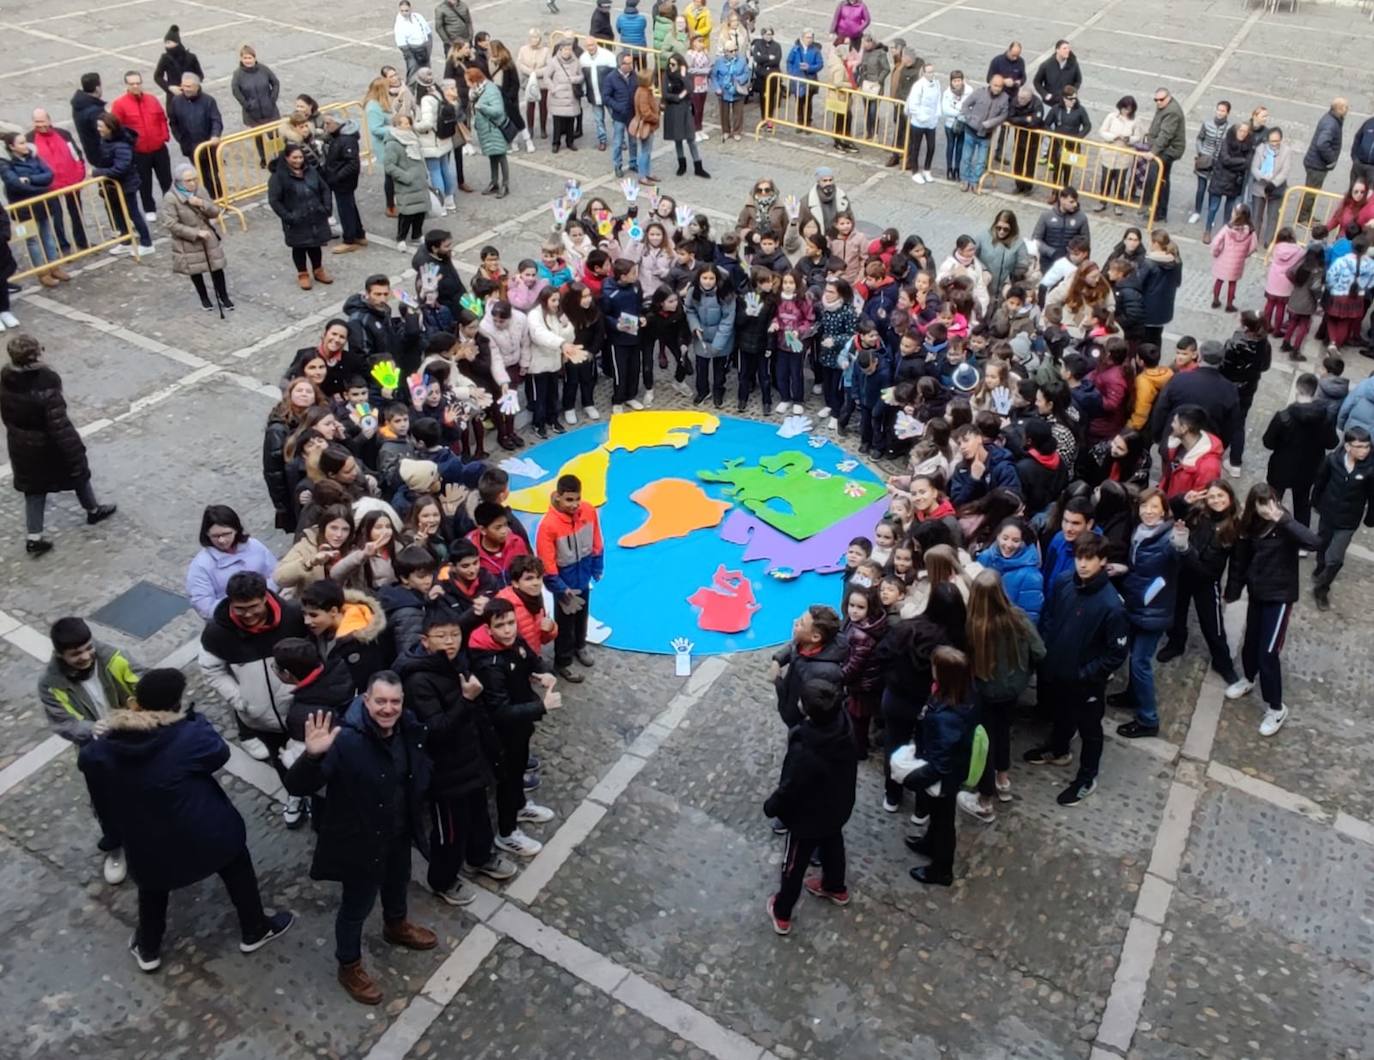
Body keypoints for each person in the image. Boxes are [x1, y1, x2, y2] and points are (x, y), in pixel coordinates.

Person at [80, 668, 294, 973]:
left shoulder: (101, 750)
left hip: (147, 842)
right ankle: (255, 927)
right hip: (206, 829)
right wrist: (194, 718)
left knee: (153, 890)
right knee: (236, 868)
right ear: (174, 706)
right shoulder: (187, 735)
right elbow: (217, 754)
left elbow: (96, 782)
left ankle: (148, 947)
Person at [285, 675, 438, 1005]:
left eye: (395, 702)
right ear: (366, 701)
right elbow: (297, 786)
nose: (388, 709)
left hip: (398, 831)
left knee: (399, 881)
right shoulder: (344, 740)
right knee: (356, 907)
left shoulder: (407, 725)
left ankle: (395, 925)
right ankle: (348, 965)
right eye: (380, 701)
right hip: (361, 841)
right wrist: (311, 756)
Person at [394, 605, 517, 905]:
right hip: (443, 771)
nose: (450, 641)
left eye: (454, 635)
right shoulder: (418, 680)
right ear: (426, 640)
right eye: (441, 636)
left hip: (470, 758)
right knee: (450, 829)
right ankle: (443, 880)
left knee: (478, 814)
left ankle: (480, 857)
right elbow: (435, 729)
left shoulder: (454, 661)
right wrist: (466, 700)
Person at [1023, 533, 1127, 806]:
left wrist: (1085, 674)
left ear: (1102, 561)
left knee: (1090, 729)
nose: (1082, 564)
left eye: (1089, 559)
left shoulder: (1112, 606)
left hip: (1085, 682)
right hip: (1056, 670)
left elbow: (1115, 653)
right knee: (1060, 713)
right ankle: (1058, 750)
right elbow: (1050, 617)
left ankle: (1087, 777)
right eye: (1080, 557)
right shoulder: (1063, 582)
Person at [40, 616, 141, 885]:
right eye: (76, 654)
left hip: (134, 736)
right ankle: (116, 846)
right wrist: (92, 729)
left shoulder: (113, 657)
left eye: (88, 648)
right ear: (60, 654)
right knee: (107, 801)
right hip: (97, 748)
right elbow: (63, 722)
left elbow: (142, 677)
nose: (85, 656)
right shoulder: (50, 684)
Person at [198, 571, 308, 807]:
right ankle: (294, 795)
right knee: (280, 759)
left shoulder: (293, 616)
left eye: (253, 607)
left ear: (265, 598)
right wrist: (240, 700)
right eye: (240, 608)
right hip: (260, 719)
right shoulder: (217, 633)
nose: (247, 614)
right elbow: (212, 670)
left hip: (300, 709)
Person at [1, 335, 117, 555]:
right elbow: (59, 425)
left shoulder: (6, 379)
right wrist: (75, 450)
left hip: (21, 445)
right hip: (48, 446)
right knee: (78, 474)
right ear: (34, 356)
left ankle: (34, 537)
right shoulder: (45, 383)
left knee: (34, 490)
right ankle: (93, 510)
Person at [1223, 485, 1320, 736]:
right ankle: (1248, 678)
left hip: (1279, 597)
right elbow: (1239, 563)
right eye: (1261, 503)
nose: (1267, 508)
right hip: (1258, 593)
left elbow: (1313, 542)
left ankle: (1276, 708)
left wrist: (1281, 518)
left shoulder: (1284, 524)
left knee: (1268, 652)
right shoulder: (1249, 527)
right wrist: (1233, 592)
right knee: (1251, 643)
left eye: (1271, 502)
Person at [468, 598, 561, 858]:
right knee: (507, 780)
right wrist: (542, 706)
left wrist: (541, 672)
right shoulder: (488, 663)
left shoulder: (514, 642)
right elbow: (499, 711)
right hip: (500, 734)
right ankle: (507, 833)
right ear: (489, 629)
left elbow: (530, 659)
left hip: (519, 727)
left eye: (511, 623)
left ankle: (520, 806)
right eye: (501, 626)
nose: (508, 630)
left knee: (518, 770)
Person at [762, 679, 856, 934]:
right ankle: (835, 886)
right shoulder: (845, 726)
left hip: (807, 818)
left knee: (794, 864)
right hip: (837, 805)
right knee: (833, 844)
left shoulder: (806, 749)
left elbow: (791, 786)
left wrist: (772, 806)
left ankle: (782, 911)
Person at [959, 569, 1043, 822]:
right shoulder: (1018, 618)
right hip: (1012, 691)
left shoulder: (972, 627)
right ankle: (1003, 779)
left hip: (984, 693)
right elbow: (1039, 651)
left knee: (984, 743)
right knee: (1003, 731)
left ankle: (985, 801)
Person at [1113, 488, 1187, 739]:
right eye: (1145, 506)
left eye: (1154, 507)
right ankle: (1133, 695)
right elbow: (1138, 566)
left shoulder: (1167, 538)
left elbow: (1179, 553)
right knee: (1134, 656)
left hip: (1153, 608)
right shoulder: (1140, 531)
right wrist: (1123, 568)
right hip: (1137, 603)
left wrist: (1182, 543)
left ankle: (1148, 718)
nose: (1149, 511)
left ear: (1164, 511)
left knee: (1140, 662)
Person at [1310, 427, 1374, 611]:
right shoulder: (1332, 460)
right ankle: (1320, 567)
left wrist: (1370, 518)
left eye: (1367, 446)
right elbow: (1320, 482)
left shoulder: (1370, 469)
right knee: (1322, 545)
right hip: (1328, 513)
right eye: (1359, 446)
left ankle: (1322, 589)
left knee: (1335, 557)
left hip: (1348, 520)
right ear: (1347, 446)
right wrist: (1315, 502)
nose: (1364, 451)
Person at [160, 162, 232, 311]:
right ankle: (204, 298)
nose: (193, 183)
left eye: (195, 179)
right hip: (188, 240)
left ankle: (224, 296)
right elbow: (171, 224)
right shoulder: (171, 198)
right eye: (188, 180)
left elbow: (214, 211)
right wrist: (195, 233)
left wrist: (201, 203)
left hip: (207, 236)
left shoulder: (200, 191)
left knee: (217, 267)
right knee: (196, 270)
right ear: (180, 181)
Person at [0, 132, 68, 287]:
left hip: (41, 204)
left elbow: (49, 174)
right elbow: (15, 184)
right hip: (23, 208)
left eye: (25, 142)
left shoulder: (33, 156)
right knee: (32, 240)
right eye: (21, 143)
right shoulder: (5, 164)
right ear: (12, 147)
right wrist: (42, 188)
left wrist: (30, 180)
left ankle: (54, 266)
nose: (26, 146)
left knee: (47, 236)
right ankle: (42, 272)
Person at [1149, 341, 1239, 458]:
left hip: (1174, 439)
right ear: (1222, 360)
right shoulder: (1230, 390)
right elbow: (1230, 425)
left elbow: (1161, 409)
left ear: (1199, 356)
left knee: (1169, 471)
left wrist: (1158, 436)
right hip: (1204, 447)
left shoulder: (1179, 379)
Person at [186, 505, 278, 620]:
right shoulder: (201, 565)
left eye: (226, 534)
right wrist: (237, 610)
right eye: (215, 536)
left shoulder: (255, 546)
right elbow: (203, 604)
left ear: (236, 530)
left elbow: (275, 574)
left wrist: (261, 598)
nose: (222, 540)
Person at [266, 143, 334, 291]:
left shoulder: (311, 171)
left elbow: (324, 189)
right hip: (296, 219)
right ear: (286, 158)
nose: (298, 160)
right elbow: (274, 200)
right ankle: (302, 274)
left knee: (316, 245)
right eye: (294, 157)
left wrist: (326, 208)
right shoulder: (278, 177)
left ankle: (318, 270)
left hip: (315, 215)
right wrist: (288, 217)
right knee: (299, 247)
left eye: (300, 157)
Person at [91, 111, 155, 257]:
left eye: (101, 126)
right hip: (112, 186)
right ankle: (126, 240)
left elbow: (121, 168)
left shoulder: (122, 145)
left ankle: (146, 242)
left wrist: (98, 172)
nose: (98, 129)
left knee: (133, 213)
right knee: (118, 213)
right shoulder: (106, 140)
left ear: (110, 127)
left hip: (126, 185)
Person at [27, 108, 88, 257]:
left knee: (77, 213)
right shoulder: (29, 139)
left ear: (49, 120)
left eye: (42, 121)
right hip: (49, 186)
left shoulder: (63, 134)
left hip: (71, 180)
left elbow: (76, 153)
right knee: (56, 217)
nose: (40, 125)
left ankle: (82, 241)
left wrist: (79, 172)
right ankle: (63, 246)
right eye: (37, 122)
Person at [1219, 309, 1271, 474]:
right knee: (1239, 423)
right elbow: (1265, 366)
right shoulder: (1264, 343)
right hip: (1248, 388)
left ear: (1246, 325)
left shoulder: (1235, 343)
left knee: (1222, 420)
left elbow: (1223, 366)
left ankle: (1223, 454)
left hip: (1228, 387)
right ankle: (1235, 462)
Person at [167, 73, 223, 199]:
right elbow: (173, 123)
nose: (186, 89)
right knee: (200, 175)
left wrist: (215, 135)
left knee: (213, 174)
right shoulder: (176, 101)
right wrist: (181, 139)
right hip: (191, 146)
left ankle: (219, 197)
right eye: (184, 86)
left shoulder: (208, 101)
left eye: (190, 86)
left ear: (197, 86)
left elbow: (216, 120)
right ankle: (208, 199)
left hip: (209, 145)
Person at [320, 112, 366, 253]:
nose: (325, 127)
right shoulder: (338, 138)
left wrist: (337, 176)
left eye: (328, 123)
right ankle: (359, 234)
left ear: (338, 123)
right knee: (350, 207)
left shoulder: (346, 140)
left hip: (343, 182)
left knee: (345, 210)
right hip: (341, 180)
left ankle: (349, 239)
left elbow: (352, 164)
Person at [230, 45, 281, 168]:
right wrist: (247, 105)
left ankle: (279, 156)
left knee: (274, 135)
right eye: (245, 58)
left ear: (254, 58)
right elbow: (236, 91)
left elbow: (275, 83)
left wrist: (272, 99)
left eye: (250, 57)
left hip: (269, 110)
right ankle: (263, 158)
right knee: (258, 137)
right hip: (252, 113)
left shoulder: (264, 69)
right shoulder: (237, 74)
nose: (248, 60)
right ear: (241, 59)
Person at [958, 74, 1009, 192]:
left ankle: (975, 181)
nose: (997, 88)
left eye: (1000, 86)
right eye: (995, 85)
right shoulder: (979, 93)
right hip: (971, 131)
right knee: (967, 157)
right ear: (990, 84)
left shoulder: (1004, 98)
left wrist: (991, 123)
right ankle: (965, 179)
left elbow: (1004, 115)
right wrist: (970, 118)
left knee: (981, 161)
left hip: (986, 134)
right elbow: (965, 105)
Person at [1299, 98, 1347, 223]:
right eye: (1345, 107)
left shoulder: (1331, 118)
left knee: (1310, 191)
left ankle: (1305, 215)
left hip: (1315, 162)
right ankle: (1303, 218)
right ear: (1339, 108)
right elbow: (1322, 143)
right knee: (1311, 192)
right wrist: (1331, 159)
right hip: (1317, 165)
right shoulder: (1331, 123)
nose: (1347, 110)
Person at [467, 67, 511, 198]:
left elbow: (498, 110)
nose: (467, 84)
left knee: (501, 156)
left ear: (474, 81)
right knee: (492, 155)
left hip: (495, 129)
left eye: (468, 82)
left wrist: (482, 107)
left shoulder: (491, 90)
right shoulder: (478, 91)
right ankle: (494, 182)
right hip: (486, 130)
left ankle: (505, 184)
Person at [663, 53, 709, 177]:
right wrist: (678, 97)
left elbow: (690, 88)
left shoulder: (686, 75)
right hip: (673, 109)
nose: (670, 66)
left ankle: (698, 166)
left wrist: (683, 76)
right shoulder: (667, 75)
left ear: (680, 65)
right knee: (678, 138)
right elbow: (665, 94)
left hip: (685, 109)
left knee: (691, 138)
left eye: (673, 64)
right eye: (669, 64)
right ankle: (681, 165)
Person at [1144, 87, 1186, 224]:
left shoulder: (1172, 112)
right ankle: (1157, 210)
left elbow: (1165, 135)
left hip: (1168, 150)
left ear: (1168, 97)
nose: (1158, 102)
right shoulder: (1166, 107)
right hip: (1165, 148)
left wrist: (1153, 151)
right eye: (1156, 100)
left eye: (1161, 99)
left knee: (1158, 179)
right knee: (1162, 180)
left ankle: (1158, 211)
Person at [1187, 100, 1230, 226]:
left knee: (1214, 190)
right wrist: (1201, 152)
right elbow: (1200, 138)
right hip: (1205, 160)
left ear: (1227, 113)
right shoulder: (1207, 124)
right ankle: (1197, 211)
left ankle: (1211, 216)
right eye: (1218, 109)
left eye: (1223, 110)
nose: (1220, 113)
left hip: (1218, 163)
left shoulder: (1229, 129)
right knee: (1201, 188)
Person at [1248, 127, 1293, 245]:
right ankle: (1254, 239)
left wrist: (1274, 183)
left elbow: (1285, 170)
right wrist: (1263, 177)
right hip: (1260, 186)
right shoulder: (1260, 149)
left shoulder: (1286, 151)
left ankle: (1269, 240)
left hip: (1276, 188)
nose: (1275, 143)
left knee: (1273, 216)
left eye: (1277, 141)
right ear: (1267, 140)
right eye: (1272, 141)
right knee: (1256, 215)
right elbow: (1254, 167)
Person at [580, 36, 617, 151]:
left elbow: (616, 76)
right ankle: (602, 140)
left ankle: (620, 139)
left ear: (596, 44)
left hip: (609, 95)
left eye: (592, 45)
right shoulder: (583, 59)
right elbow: (583, 78)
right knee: (598, 120)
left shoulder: (608, 56)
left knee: (615, 118)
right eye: (588, 46)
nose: (590, 48)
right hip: (593, 94)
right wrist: (585, 91)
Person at [710, 41, 751, 143]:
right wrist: (717, 88)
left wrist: (739, 80)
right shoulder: (719, 62)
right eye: (731, 51)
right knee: (724, 113)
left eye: (735, 50)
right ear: (725, 52)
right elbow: (714, 75)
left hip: (737, 90)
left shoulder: (741, 61)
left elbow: (747, 73)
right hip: (724, 91)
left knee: (738, 113)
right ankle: (726, 131)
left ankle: (737, 131)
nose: (734, 52)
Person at [153, 25, 203, 105]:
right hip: (174, 95)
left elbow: (200, 75)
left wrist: (190, 85)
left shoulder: (191, 57)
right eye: (165, 43)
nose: (166, 46)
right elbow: (157, 76)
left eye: (169, 42)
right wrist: (170, 87)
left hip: (193, 96)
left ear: (176, 42)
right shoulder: (165, 58)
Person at [785, 30, 824, 131]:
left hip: (809, 80)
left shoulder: (815, 51)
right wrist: (791, 73)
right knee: (799, 101)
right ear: (803, 38)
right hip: (798, 79)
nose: (809, 39)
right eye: (807, 37)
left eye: (811, 37)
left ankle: (807, 123)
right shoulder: (796, 49)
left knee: (808, 102)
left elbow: (820, 64)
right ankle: (800, 122)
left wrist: (809, 68)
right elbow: (789, 61)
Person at [630, 68, 661, 184]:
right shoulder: (643, 92)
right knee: (645, 151)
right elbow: (645, 112)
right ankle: (643, 175)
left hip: (647, 125)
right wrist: (656, 117)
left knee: (647, 150)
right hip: (646, 125)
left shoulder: (642, 90)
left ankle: (647, 173)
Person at [71, 72, 106, 167]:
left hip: (93, 154)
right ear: (97, 88)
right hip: (104, 156)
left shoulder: (79, 105)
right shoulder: (95, 111)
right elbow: (107, 132)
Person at [1033, 39, 1080, 108]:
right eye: (1064, 48)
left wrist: (1072, 92)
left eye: (1068, 48)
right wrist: (1045, 94)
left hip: (1066, 103)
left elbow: (1078, 80)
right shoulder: (1046, 65)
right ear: (1057, 50)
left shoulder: (1073, 64)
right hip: (1050, 103)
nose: (1067, 50)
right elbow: (1037, 82)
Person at [395, 0, 435, 81]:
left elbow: (427, 30)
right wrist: (409, 54)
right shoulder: (399, 23)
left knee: (426, 70)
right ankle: (411, 88)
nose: (404, 13)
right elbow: (401, 42)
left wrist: (428, 45)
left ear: (410, 9)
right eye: (402, 11)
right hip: (412, 49)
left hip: (424, 46)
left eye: (406, 10)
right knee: (413, 70)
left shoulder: (418, 16)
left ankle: (426, 85)